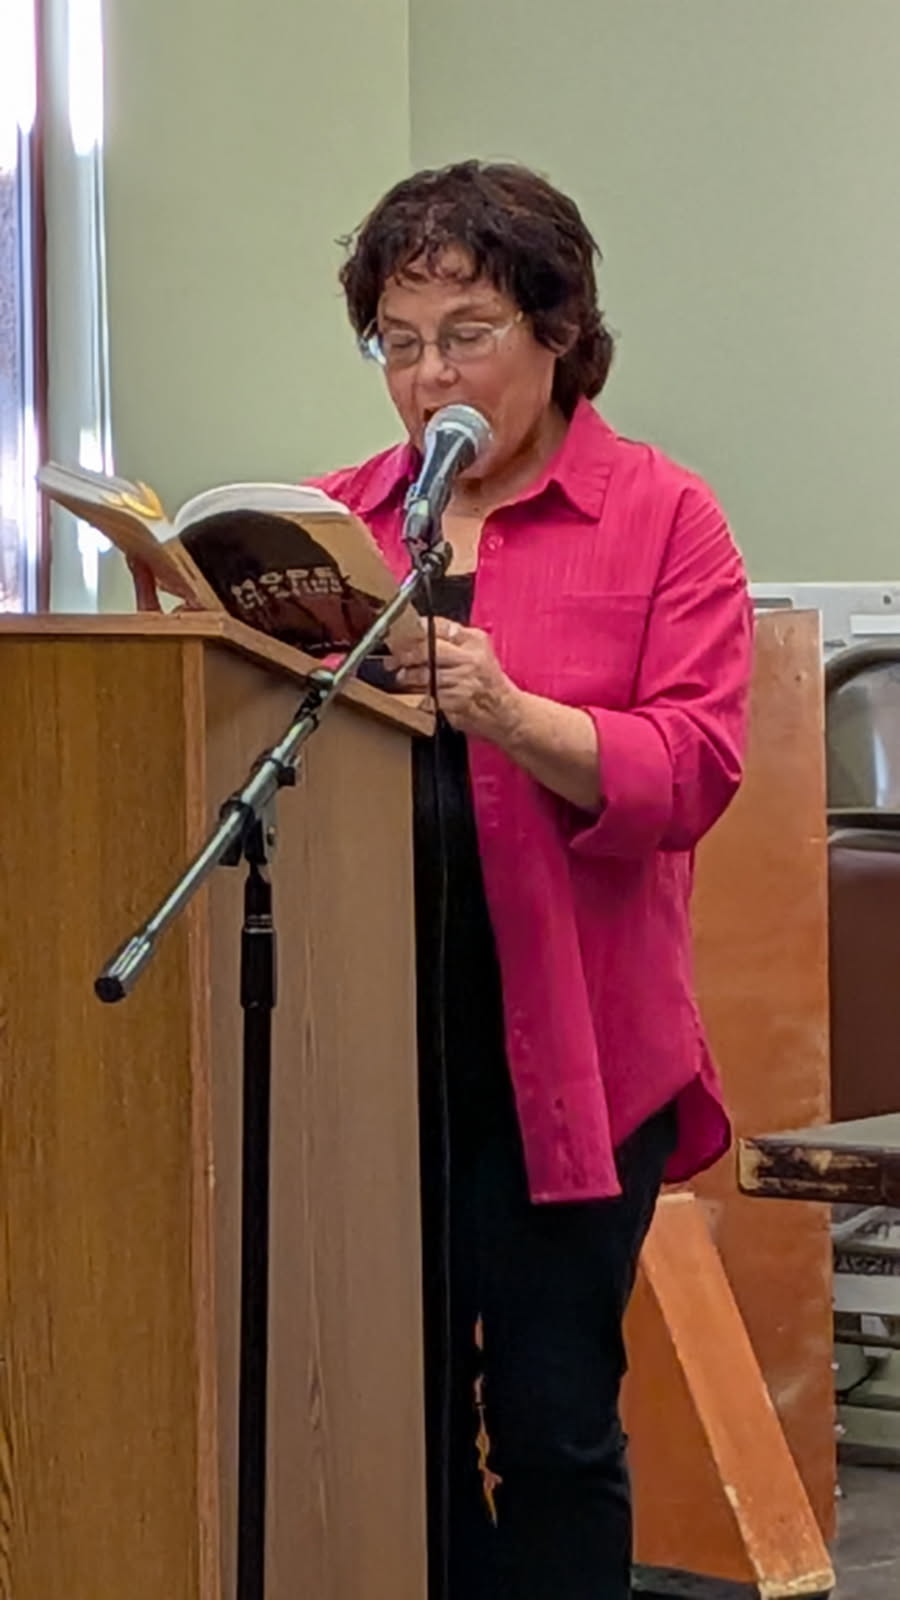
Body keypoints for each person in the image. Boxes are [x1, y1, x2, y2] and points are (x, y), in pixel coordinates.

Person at [314, 159, 754, 1600]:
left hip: (574, 1056)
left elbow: (695, 769)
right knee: (399, 1425)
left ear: (558, 330)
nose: (428, 376)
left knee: (554, 1425)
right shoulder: (338, 522)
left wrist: (511, 712)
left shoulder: (663, 515)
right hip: (368, 1056)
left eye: (467, 333)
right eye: (398, 342)